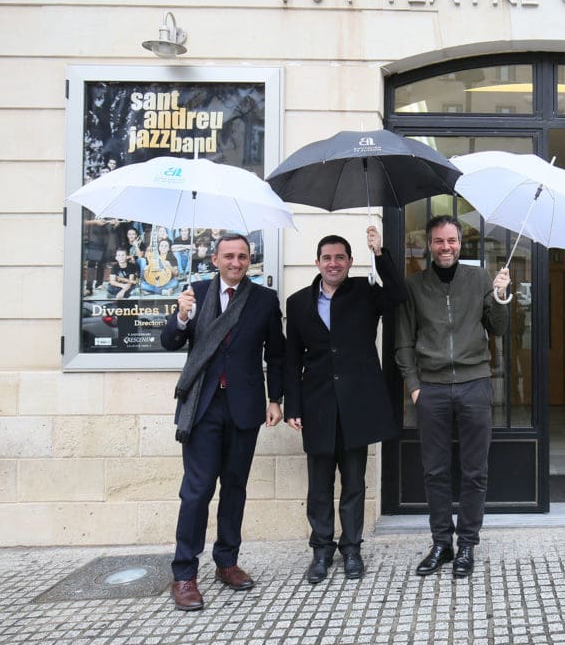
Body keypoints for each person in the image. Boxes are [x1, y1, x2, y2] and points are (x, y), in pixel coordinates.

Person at [160, 232, 284, 612]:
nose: (236, 262)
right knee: (196, 492)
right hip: (202, 408)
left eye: (242, 256)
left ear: (250, 261)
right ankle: (184, 574)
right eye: (228, 256)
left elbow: (277, 353)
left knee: (234, 487)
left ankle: (226, 562)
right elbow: (169, 342)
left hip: (244, 408)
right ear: (215, 259)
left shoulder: (264, 299)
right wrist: (180, 316)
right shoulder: (194, 293)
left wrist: (276, 398)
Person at [284, 227, 407, 584]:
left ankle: (351, 548)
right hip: (317, 406)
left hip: (358, 406)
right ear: (317, 262)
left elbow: (398, 295)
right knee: (318, 485)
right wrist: (293, 404)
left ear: (350, 262)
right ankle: (321, 550)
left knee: (354, 482)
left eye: (340, 257)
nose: (334, 263)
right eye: (327, 258)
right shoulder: (297, 303)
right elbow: (292, 360)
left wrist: (380, 253)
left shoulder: (365, 294)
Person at [394, 215, 509, 579]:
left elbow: (500, 328)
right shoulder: (414, 286)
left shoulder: (479, 280)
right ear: (429, 245)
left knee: (475, 471)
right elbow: (403, 341)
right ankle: (441, 543)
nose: (446, 247)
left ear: (461, 244)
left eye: (452, 241)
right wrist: (414, 386)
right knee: (436, 470)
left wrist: (502, 296)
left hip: (474, 384)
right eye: (439, 241)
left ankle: (468, 545)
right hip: (432, 389)